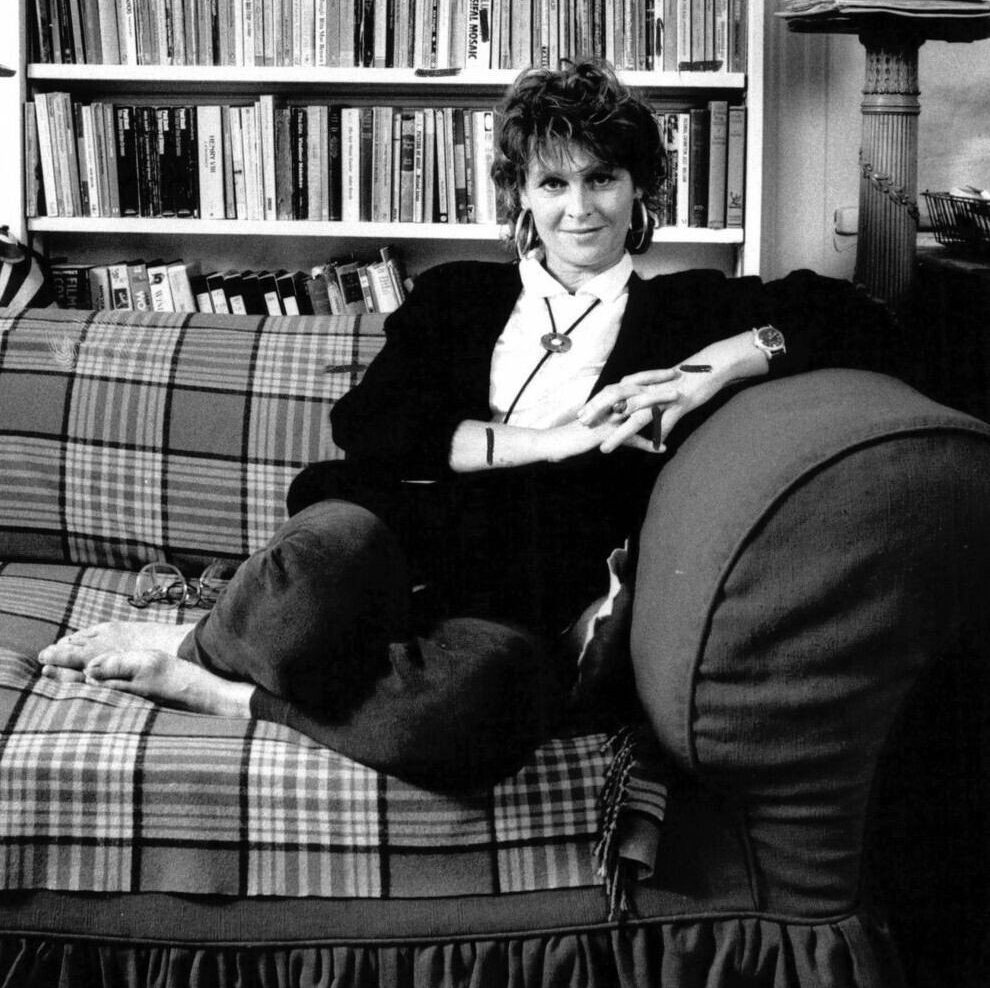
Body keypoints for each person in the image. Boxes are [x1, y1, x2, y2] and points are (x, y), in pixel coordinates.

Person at [37, 60, 906, 793]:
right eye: (553, 183)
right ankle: (204, 639)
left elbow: (871, 320)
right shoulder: (460, 292)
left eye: (602, 178)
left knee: (477, 707)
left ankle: (230, 692)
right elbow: (370, 425)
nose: (580, 208)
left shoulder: (686, 311)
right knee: (306, 580)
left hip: (519, 592)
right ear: (521, 194)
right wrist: (555, 440)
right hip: (384, 537)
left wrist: (721, 362)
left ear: (640, 187)